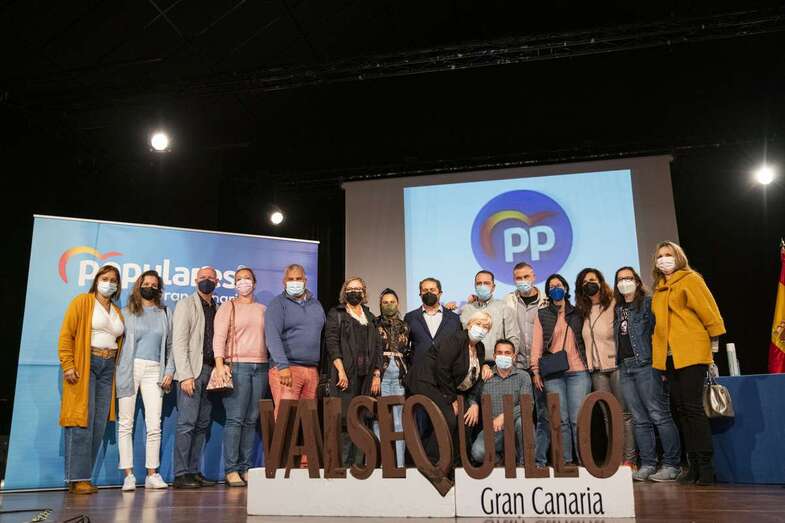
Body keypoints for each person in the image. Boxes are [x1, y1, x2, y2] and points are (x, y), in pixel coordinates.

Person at [651, 241, 725, 486]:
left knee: (693, 409)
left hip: (692, 352)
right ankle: (692, 465)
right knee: (681, 411)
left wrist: (711, 352)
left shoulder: (691, 279)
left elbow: (710, 313)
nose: (663, 259)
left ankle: (706, 467)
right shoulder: (659, 288)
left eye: (668, 254)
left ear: (678, 257)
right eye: (660, 256)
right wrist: (659, 363)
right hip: (670, 357)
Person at [58, 264, 125, 495]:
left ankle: (83, 476)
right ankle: (77, 478)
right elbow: (67, 334)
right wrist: (68, 364)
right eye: (105, 278)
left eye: (113, 280)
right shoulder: (82, 302)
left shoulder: (117, 311)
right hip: (87, 363)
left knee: (98, 423)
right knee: (81, 421)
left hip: (108, 368)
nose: (109, 283)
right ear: (96, 280)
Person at [614, 266, 682, 482]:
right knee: (639, 419)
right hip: (625, 368)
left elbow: (660, 334)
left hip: (647, 365)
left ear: (636, 280)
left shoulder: (647, 303)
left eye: (628, 278)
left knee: (659, 415)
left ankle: (672, 464)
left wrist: (661, 365)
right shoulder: (618, 308)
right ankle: (648, 464)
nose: (624, 282)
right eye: (620, 279)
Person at [116, 270, 175, 491]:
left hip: (155, 371)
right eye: (145, 283)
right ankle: (128, 475)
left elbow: (170, 347)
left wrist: (169, 371)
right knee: (125, 424)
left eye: (153, 284)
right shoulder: (125, 312)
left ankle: (152, 473)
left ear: (159, 289)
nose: (149, 286)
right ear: (138, 285)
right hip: (130, 369)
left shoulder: (165, 313)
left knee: (154, 424)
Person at [406, 311, 491, 463]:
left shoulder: (480, 348)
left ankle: (457, 461)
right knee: (448, 418)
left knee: (466, 418)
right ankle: (431, 462)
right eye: (478, 324)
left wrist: (473, 403)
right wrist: (452, 400)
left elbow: (474, 376)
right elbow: (442, 368)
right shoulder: (457, 339)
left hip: (448, 387)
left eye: (486, 327)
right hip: (427, 381)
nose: (481, 329)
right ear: (470, 324)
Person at [574, 268, 636, 468]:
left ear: (601, 282)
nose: (588, 284)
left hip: (617, 366)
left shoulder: (613, 305)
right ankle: (615, 459)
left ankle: (630, 460)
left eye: (592, 280)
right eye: (584, 282)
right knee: (609, 416)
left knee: (624, 414)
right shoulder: (582, 311)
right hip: (597, 372)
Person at [213, 266, 268, 487]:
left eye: (247, 278)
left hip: (261, 367)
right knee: (235, 419)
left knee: (251, 419)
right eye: (238, 279)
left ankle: (245, 467)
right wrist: (219, 364)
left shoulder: (263, 309)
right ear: (234, 284)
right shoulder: (228, 307)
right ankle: (231, 469)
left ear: (254, 283)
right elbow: (218, 338)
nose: (243, 282)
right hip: (237, 367)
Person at [530, 274, 590, 465]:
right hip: (553, 374)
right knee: (561, 420)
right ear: (548, 292)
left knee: (577, 419)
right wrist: (535, 371)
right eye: (552, 286)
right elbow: (537, 344)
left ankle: (584, 460)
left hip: (578, 371)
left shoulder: (578, 312)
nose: (556, 288)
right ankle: (566, 462)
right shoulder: (543, 314)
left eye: (559, 285)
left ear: (565, 287)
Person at [324, 277, 383, 466]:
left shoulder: (370, 316)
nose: (354, 292)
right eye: (351, 288)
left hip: (366, 377)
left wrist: (376, 374)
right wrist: (340, 371)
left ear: (364, 292)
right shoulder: (337, 313)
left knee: (362, 420)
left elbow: (378, 347)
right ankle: (343, 465)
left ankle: (359, 465)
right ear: (345, 291)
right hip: (345, 376)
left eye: (358, 289)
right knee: (344, 420)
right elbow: (332, 343)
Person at [172, 266, 220, 489]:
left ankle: (193, 470)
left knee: (202, 425)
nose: (206, 281)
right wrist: (185, 376)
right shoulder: (185, 304)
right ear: (195, 280)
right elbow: (179, 342)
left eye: (210, 278)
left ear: (217, 281)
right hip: (192, 372)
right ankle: (181, 474)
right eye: (203, 278)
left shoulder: (217, 306)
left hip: (211, 372)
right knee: (186, 424)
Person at [503, 262, 550, 468]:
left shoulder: (547, 301)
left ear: (534, 276)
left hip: (543, 367)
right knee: (522, 415)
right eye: (518, 278)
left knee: (543, 414)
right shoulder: (508, 301)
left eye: (526, 277)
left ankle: (539, 460)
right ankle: (524, 460)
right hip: (519, 367)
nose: (522, 281)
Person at [265, 264, 326, 417]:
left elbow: (323, 335)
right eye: (290, 279)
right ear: (284, 282)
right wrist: (283, 366)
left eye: (298, 278)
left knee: (307, 424)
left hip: (312, 371)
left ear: (305, 280)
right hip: (287, 370)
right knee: (285, 421)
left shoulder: (316, 305)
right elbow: (272, 337)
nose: (295, 282)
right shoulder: (277, 304)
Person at [470, 339, 532, 465]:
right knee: (477, 452)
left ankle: (523, 465)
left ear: (514, 357)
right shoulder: (485, 376)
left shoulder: (523, 376)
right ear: (494, 356)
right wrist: (474, 404)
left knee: (523, 422)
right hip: (493, 429)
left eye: (507, 353)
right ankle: (502, 461)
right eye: (499, 353)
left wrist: (505, 416)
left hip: (516, 428)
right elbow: (471, 396)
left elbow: (528, 405)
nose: (503, 356)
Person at [372, 289, 411, 468]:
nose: (389, 305)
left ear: (398, 304)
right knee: (380, 420)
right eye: (385, 302)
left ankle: (400, 465)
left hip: (399, 379)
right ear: (380, 304)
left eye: (392, 301)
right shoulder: (373, 324)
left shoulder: (405, 326)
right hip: (381, 376)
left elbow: (409, 352)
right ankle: (382, 463)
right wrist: (375, 374)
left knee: (399, 422)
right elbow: (371, 352)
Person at [460, 271, 520, 366]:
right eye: (479, 283)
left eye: (486, 283)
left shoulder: (504, 308)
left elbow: (513, 338)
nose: (482, 286)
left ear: (493, 287)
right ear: (475, 286)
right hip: (472, 365)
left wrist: (507, 363)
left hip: (498, 364)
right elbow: (462, 338)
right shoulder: (467, 309)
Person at [404, 277, 462, 369]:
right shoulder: (410, 317)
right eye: (425, 290)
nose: (428, 293)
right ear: (420, 294)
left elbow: (459, 347)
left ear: (440, 293)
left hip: (446, 373)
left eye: (432, 290)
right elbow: (405, 346)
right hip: (419, 373)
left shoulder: (454, 319)